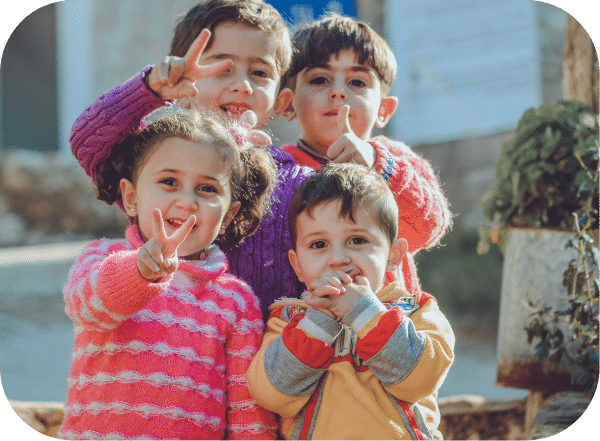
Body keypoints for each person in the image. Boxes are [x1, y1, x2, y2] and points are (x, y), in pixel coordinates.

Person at [70, 0, 311, 318]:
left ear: (281, 101)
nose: (241, 85)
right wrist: (153, 89)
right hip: (170, 352)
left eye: (259, 72)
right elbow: (90, 140)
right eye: (223, 69)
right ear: (185, 86)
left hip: (262, 360)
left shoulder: (299, 183)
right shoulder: (159, 156)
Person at [59, 109, 278, 440]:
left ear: (230, 213)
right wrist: (141, 271)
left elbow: (248, 411)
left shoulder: (236, 302)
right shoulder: (104, 257)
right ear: (131, 198)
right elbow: (87, 307)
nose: (187, 201)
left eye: (207, 189)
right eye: (169, 182)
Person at [246, 163, 455, 440]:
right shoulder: (288, 321)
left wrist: (364, 313)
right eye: (318, 244)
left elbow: (420, 381)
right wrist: (319, 322)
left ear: (393, 254)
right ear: (297, 265)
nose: (338, 259)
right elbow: (272, 395)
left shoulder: (416, 310)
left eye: (357, 240)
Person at [280, 13, 452, 294]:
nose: (337, 92)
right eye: (320, 79)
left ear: (384, 110)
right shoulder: (277, 170)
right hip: (312, 325)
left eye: (357, 82)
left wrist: (377, 164)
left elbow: (428, 228)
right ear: (286, 104)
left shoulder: (396, 159)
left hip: (390, 324)